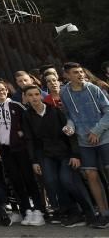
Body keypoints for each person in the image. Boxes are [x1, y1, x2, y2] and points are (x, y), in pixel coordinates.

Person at [21, 84, 87, 227]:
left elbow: (70, 134)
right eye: (30, 95)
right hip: (45, 154)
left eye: (36, 94)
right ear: (26, 98)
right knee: (51, 181)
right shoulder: (26, 115)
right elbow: (29, 139)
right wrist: (34, 161)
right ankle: (68, 212)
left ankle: (83, 211)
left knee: (66, 180)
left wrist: (75, 154)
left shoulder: (55, 111)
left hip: (64, 153)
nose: (34, 98)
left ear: (41, 95)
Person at [0, 79, 43, 224]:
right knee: (16, 181)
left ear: (7, 90)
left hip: (21, 148)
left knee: (28, 178)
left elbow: (28, 123)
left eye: (4, 89)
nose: (1, 91)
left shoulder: (16, 105)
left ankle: (39, 210)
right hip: (4, 150)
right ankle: (26, 211)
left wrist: (22, 134)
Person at [62, 61, 109, 229]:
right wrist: (70, 127)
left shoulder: (94, 89)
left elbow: (108, 111)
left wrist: (97, 131)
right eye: (75, 72)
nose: (80, 74)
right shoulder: (64, 92)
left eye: (81, 71)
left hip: (104, 137)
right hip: (83, 141)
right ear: (67, 75)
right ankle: (104, 214)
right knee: (91, 176)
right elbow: (70, 116)